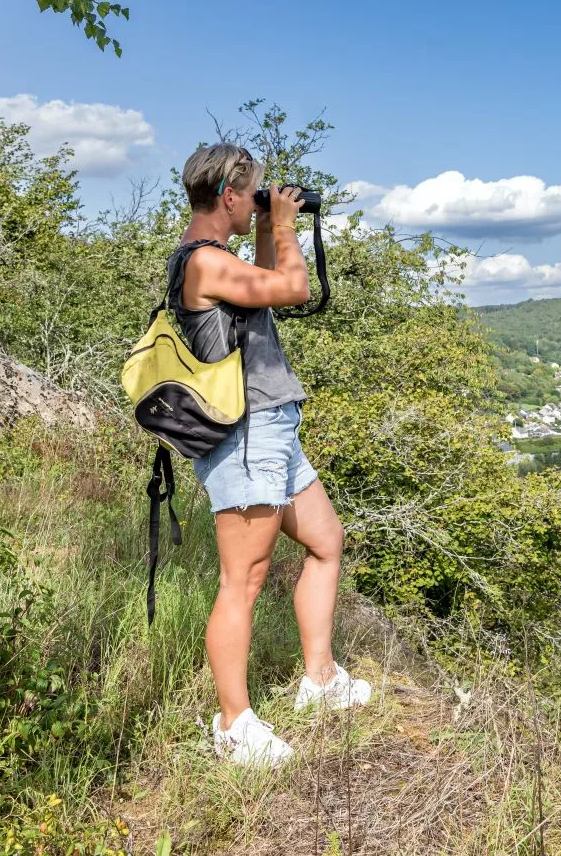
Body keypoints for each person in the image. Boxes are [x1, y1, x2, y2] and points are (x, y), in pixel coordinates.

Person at [169, 143, 370, 768]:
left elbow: (262, 292)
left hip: (275, 426)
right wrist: (283, 225)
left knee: (325, 541)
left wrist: (263, 227)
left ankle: (318, 678)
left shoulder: (221, 258)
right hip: (247, 435)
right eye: (252, 193)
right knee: (244, 580)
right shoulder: (202, 262)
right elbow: (293, 287)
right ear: (228, 194)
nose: (260, 200)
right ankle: (233, 725)